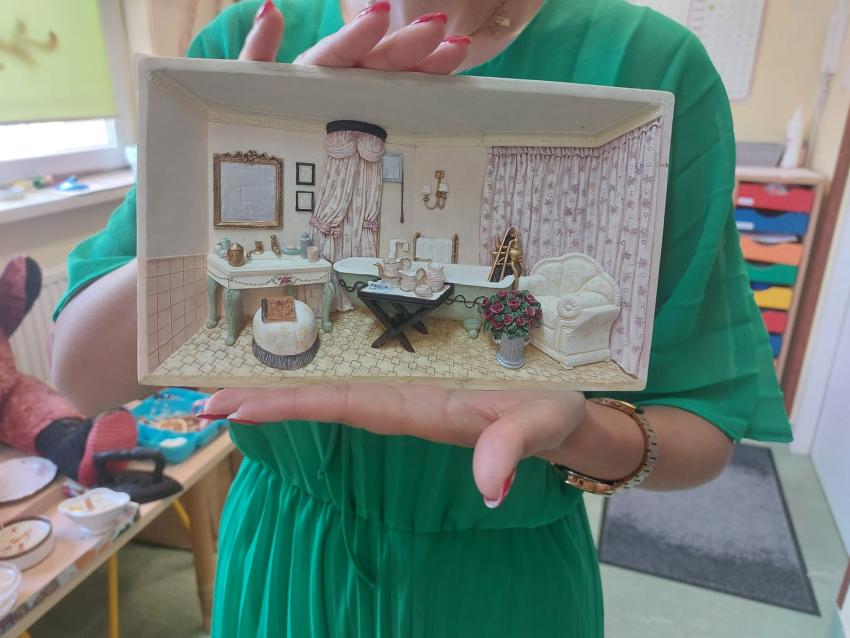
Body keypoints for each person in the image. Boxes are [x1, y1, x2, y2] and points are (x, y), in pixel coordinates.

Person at [52, 1, 793, 635]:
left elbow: (702, 429)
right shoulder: (245, 40)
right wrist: (204, 219)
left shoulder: (650, 64)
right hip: (281, 557)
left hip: (506, 585)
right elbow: (81, 380)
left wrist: (575, 432)